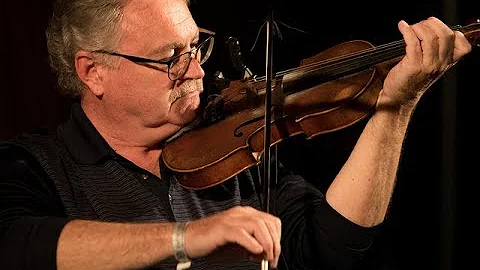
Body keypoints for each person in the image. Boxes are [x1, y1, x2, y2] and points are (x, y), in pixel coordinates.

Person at [0, 0, 472, 269]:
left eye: (196, 46)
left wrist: (396, 104)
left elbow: (333, 248)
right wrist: (187, 237)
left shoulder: (229, 150)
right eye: (171, 59)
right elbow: (18, 244)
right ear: (93, 72)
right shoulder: (31, 165)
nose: (198, 71)